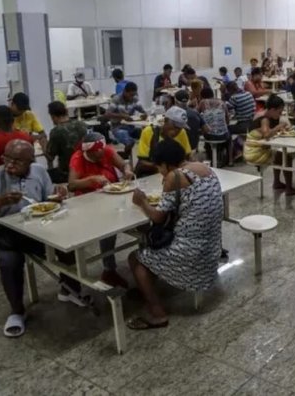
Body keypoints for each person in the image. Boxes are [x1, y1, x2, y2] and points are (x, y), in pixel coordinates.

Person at [0, 140, 79, 338]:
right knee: (9, 262)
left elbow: (47, 199)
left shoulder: (39, 171)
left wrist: (58, 196)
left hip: (39, 228)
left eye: (17, 161)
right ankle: (17, 311)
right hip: (5, 232)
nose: (9, 165)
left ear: (30, 161)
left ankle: (70, 290)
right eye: (6, 159)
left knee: (69, 244)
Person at [127, 139, 223, 329]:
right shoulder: (204, 169)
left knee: (135, 258)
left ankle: (157, 313)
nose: (159, 171)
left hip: (192, 253)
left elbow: (158, 218)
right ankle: (148, 286)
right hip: (213, 248)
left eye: (159, 166)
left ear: (166, 164)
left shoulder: (174, 176)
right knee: (148, 244)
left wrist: (142, 202)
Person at [67, 132, 130, 287]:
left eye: (103, 152)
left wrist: (127, 170)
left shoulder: (106, 150)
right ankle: (109, 269)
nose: (102, 156)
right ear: (87, 152)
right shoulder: (77, 158)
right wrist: (91, 180)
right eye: (97, 155)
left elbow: (123, 164)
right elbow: (71, 185)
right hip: (87, 201)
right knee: (107, 230)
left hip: (110, 194)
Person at [244, 94, 295, 196]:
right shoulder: (264, 119)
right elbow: (266, 135)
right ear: (272, 109)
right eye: (279, 112)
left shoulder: (263, 115)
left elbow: (263, 133)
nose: (280, 115)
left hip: (251, 149)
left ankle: (277, 182)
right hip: (254, 153)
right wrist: (279, 127)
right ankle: (289, 188)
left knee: (279, 155)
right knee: (286, 157)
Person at [137, 103, 193, 176]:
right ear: (165, 120)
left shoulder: (182, 132)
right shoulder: (149, 132)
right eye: (174, 126)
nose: (177, 131)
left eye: (179, 128)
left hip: (175, 175)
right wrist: (162, 168)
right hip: (152, 175)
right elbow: (142, 162)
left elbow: (187, 157)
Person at [45, 101, 88, 183]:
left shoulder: (56, 131)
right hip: (85, 168)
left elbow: (50, 157)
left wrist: (43, 143)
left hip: (66, 173)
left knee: (46, 174)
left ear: (53, 116)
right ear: (66, 111)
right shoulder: (82, 125)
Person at [105, 82, 146, 158]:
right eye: (130, 95)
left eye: (134, 95)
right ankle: (124, 156)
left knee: (146, 134)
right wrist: (122, 116)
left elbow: (142, 110)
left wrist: (144, 114)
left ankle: (144, 157)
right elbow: (107, 114)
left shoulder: (134, 98)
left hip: (130, 127)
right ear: (125, 92)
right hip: (117, 127)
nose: (132, 97)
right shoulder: (116, 99)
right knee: (130, 141)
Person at [199, 88, 230, 166]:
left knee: (206, 130)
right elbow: (227, 120)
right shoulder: (222, 102)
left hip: (210, 136)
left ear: (202, 96)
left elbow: (196, 115)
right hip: (223, 136)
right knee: (228, 135)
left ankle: (210, 157)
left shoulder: (203, 102)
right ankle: (230, 160)